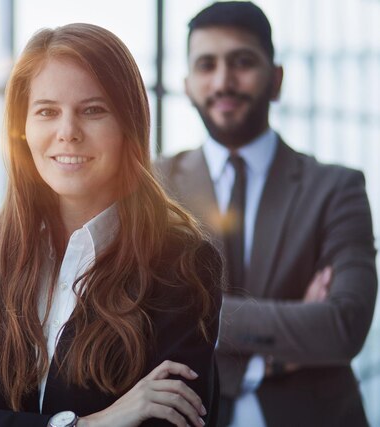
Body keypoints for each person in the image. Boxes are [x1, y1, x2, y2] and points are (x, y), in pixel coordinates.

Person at [0, 23, 222, 427]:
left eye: (93, 110)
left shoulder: (180, 267)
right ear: (22, 130)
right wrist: (89, 424)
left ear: (128, 124)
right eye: (47, 111)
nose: (68, 133)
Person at [154, 2, 377, 426]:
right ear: (186, 84)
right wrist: (274, 357)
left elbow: (344, 326)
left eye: (242, 62)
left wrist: (193, 315)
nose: (223, 81)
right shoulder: (154, 186)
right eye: (207, 65)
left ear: (276, 80)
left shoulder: (337, 188)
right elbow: (137, 315)